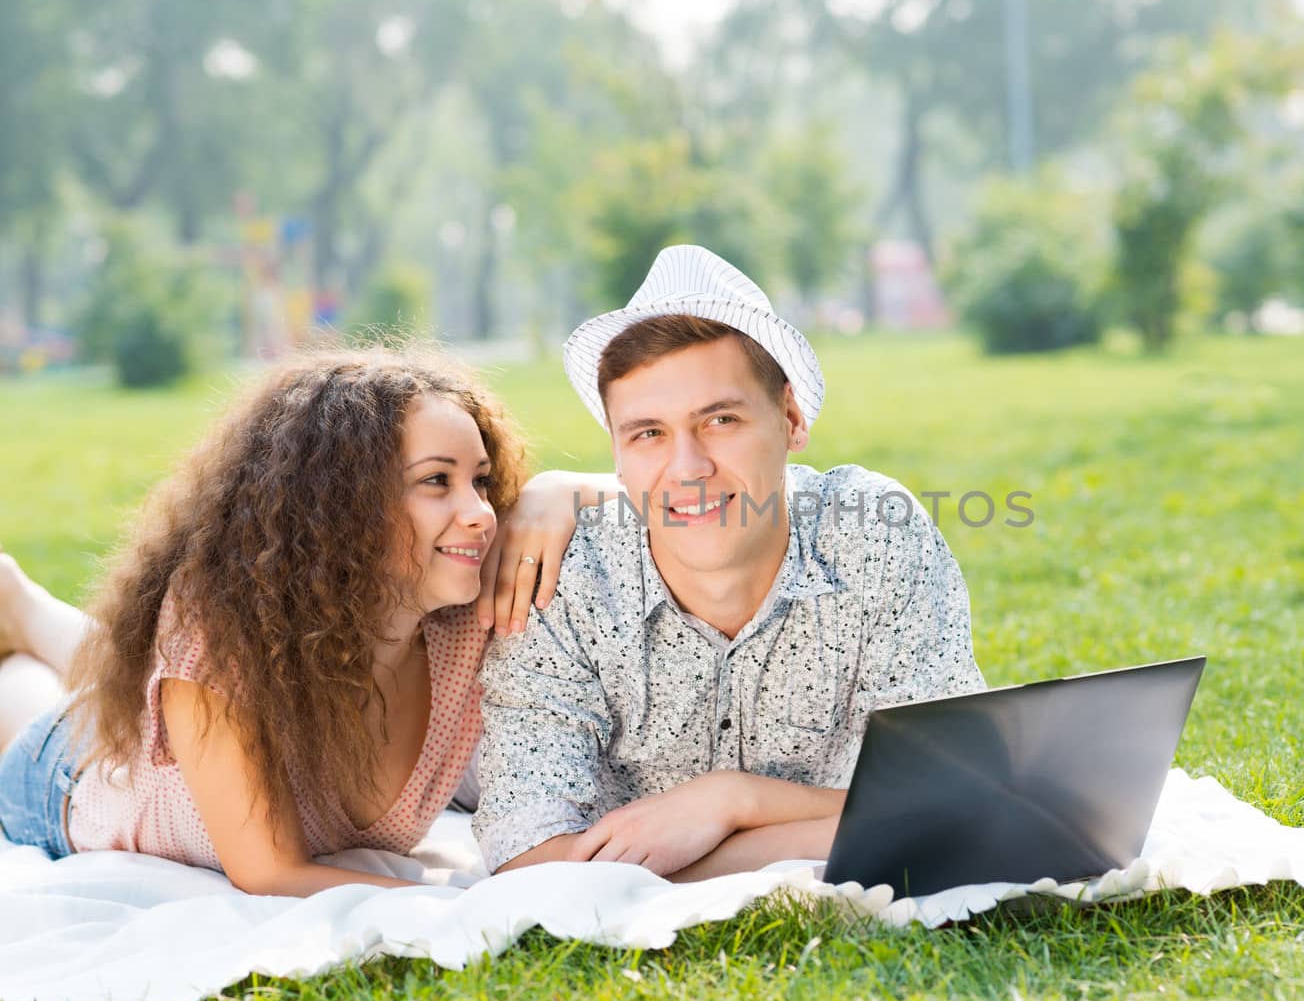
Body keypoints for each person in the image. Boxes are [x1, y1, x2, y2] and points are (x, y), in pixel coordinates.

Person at [0, 349, 599, 896]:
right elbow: (270, 870)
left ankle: (21, 608)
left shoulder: (465, 597)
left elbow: (679, 501)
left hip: (166, 726)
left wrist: (564, 489)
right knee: (33, 697)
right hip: (65, 777)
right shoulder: (225, 625)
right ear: (344, 506)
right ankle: (19, 611)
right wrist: (468, 906)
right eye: (436, 481)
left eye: (482, 480)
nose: (480, 514)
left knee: (115, 674)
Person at [474, 245, 987, 882]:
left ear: (791, 419)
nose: (688, 467)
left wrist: (729, 800)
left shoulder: (874, 536)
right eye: (648, 434)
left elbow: (956, 795)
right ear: (616, 451)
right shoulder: (564, 575)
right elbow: (528, 856)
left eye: (721, 420)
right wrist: (832, 830)